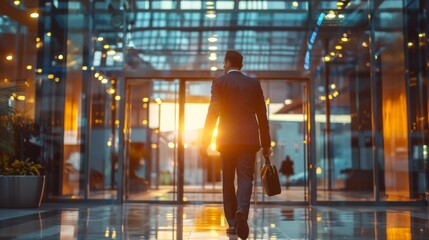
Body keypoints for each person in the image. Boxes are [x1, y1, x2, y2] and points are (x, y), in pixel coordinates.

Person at [200, 50, 271, 239]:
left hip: (227, 140)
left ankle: (232, 223)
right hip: (249, 140)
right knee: (246, 177)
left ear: (227, 63)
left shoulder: (220, 83)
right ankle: (242, 212)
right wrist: (266, 143)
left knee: (228, 180)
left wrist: (205, 140)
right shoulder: (254, 84)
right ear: (242, 65)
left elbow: (213, 112)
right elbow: (262, 117)